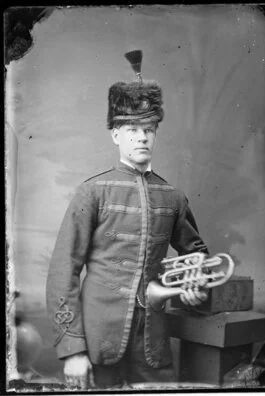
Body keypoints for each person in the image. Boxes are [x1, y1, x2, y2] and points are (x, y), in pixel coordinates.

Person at [46, 50, 210, 389]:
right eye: (131, 128)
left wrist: (196, 288)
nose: (141, 137)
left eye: (148, 129)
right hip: (96, 342)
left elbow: (198, 256)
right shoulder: (91, 192)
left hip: (154, 344)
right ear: (115, 135)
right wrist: (72, 349)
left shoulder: (173, 196)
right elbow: (63, 272)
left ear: (155, 134)